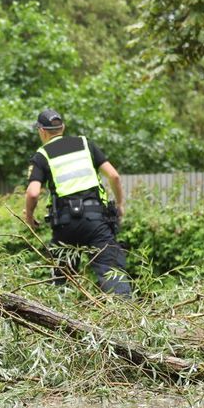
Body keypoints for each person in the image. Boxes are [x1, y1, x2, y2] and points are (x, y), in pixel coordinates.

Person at [23, 109, 131, 295]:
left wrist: (30, 217)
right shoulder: (85, 144)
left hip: (65, 226)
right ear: (62, 127)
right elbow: (114, 176)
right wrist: (120, 204)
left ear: (42, 131)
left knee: (61, 281)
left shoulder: (42, 155)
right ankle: (126, 317)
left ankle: (56, 318)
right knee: (112, 273)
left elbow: (33, 193)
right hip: (96, 221)